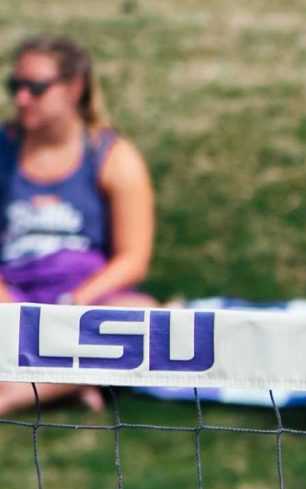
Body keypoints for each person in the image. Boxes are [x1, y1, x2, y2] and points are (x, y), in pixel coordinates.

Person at [2, 34, 154, 418]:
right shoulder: (3, 148)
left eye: (35, 88)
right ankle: (71, 379)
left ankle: (19, 391)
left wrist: (74, 304)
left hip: (83, 295)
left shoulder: (112, 157)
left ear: (74, 88)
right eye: (14, 86)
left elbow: (133, 259)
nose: (21, 99)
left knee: (146, 320)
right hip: (12, 290)